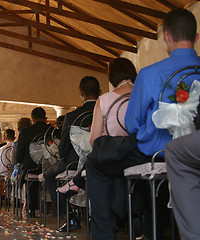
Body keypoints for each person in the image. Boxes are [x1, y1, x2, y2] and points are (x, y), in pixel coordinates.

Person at [85, 8, 200, 240]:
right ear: (196, 37)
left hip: (154, 155)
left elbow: (132, 124)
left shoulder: (148, 74)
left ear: (166, 37)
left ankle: (105, 235)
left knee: (95, 163)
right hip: (195, 152)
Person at [57, 57, 137, 196]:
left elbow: (94, 140)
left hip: (113, 155)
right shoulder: (144, 93)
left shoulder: (104, 100)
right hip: (145, 151)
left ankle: (77, 188)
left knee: (96, 155)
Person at [43, 76, 100, 231]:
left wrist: (63, 155)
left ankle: (70, 217)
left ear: (81, 93)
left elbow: (64, 147)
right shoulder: (105, 110)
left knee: (48, 175)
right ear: (100, 92)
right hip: (102, 159)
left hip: (73, 163)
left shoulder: (72, 116)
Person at [15, 107, 50, 217]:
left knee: (30, 174)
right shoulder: (53, 130)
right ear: (45, 118)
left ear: (32, 119)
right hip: (50, 166)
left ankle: (31, 207)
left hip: (32, 168)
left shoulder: (25, 132)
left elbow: (19, 156)